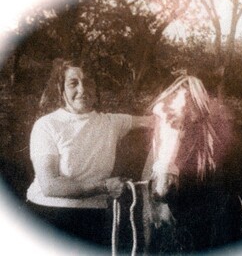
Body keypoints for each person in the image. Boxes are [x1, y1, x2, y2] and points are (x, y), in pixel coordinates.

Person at [26, 58, 153, 249]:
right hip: (48, 214)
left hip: (93, 216)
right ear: (61, 90)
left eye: (88, 82)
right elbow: (50, 185)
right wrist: (103, 187)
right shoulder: (47, 125)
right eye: (73, 83)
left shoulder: (111, 122)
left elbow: (155, 120)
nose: (83, 89)